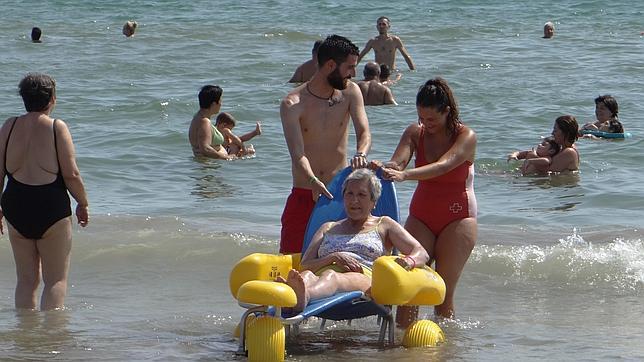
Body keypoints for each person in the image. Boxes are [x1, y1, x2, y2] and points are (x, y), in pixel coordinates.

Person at [370, 77, 477, 320]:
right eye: (421, 117)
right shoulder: (414, 132)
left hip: (457, 218)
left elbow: (443, 166)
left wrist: (405, 175)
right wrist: (384, 167)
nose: (425, 124)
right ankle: (402, 349)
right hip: (422, 215)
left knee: (443, 293)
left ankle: (443, 349)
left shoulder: (466, 136)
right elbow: (398, 162)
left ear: (447, 112)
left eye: (431, 119)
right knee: (410, 288)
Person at [276, 168, 429, 312]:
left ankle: (300, 297)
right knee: (306, 276)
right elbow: (305, 265)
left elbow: (421, 252)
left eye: (361, 195)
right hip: (321, 276)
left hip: (364, 278)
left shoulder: (384, 224)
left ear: (373, 201)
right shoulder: (327, 227)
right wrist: (333, 257)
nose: (354, 200)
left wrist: (409, 262)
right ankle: (294, 296)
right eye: (349, 194)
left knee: (331, 276)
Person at [0, 73, 89, 310]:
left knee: (26, 280)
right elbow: (71, 174)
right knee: (55, 280)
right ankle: (51, 337)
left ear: (24, 99)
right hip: (50, 206)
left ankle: (25, 336)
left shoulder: (9, 126)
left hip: (16, 205)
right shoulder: (56, 127)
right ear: (52, 98)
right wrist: (83, 202)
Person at [279, 34, 371, 254]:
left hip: (339, 194)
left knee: (343, 258)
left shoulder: (351, 92)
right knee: (293, 259)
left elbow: (364, 131)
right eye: (349, 67)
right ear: (331, 65)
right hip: (304, 192)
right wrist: (312, 180)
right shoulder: (293, 103)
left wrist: (361, 153)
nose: (354, 73)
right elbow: (298, 154)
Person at [188, 85, 237, 160]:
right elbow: (205, 149)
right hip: (209, 166)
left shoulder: (198, 117)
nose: (221, 103)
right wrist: (227, 157)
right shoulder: (204, 121)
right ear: (214, 104)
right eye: (220, 100)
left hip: (210, 164)